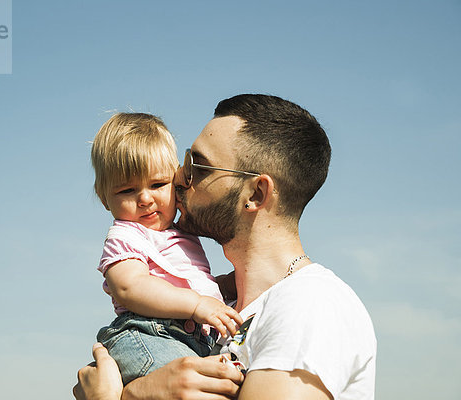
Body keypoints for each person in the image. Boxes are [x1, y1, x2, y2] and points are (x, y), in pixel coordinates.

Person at [75, 95, 377, 400]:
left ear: (257, 194)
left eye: (200, 167)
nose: (178, 177)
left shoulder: (309, 304)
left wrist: (122, 397)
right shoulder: (228, 308)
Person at [90, 113, 244, 385]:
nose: (145, 199)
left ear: (175, 181)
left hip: (190, 338)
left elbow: (185, 281)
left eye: (158, 184)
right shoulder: (125, 236)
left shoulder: (181, 234)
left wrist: (228, 286)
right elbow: (130, 287)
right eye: (127, 190)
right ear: (104, 198)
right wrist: (196, 304)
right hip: (148, 334)